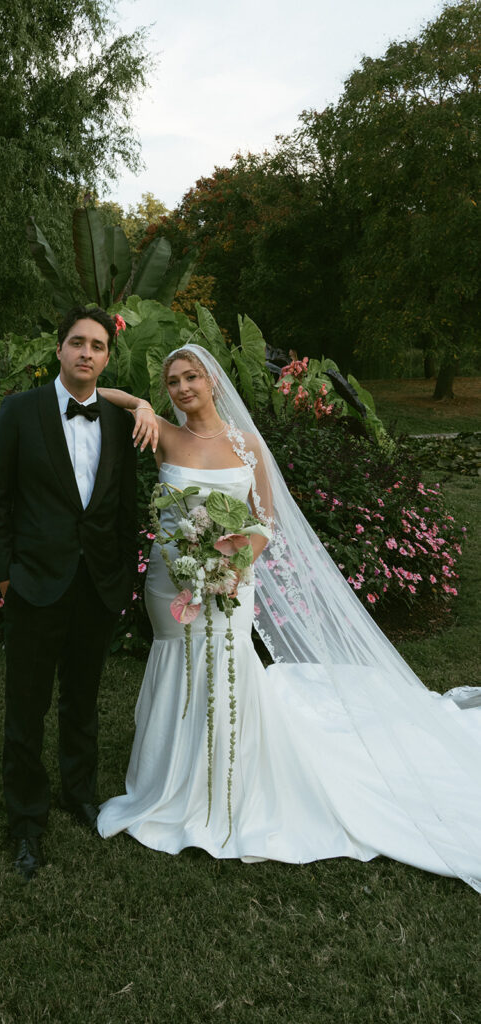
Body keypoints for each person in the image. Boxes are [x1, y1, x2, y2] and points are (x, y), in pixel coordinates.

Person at [96, 344, 481, 893]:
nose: (182, 388)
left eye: (192, 378)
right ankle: (166, 779)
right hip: (170, 580)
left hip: (231, 580)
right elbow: (94, 393)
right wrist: (136, 402)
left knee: (226, 669)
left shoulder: (247, 445)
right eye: (172, 381)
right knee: (176, 662)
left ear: (212, 383)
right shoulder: (163, 433)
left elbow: (266, 522)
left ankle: (224, 785)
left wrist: (235, 563)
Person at [0, 306, 153, 882]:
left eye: (98, 346)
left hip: (96, 586)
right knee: (26, 704)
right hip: (33, 583)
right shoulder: (19, 412)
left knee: (82, 698)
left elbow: (125, 507)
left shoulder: (119, 421)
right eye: (77, 343)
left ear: (108, 357)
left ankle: (80, 792)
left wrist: (122, 576)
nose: (86, 353)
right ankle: (26, 818)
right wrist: (4, 574)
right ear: (58, 351)